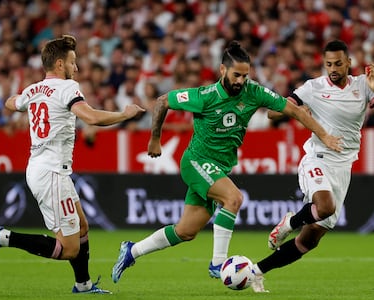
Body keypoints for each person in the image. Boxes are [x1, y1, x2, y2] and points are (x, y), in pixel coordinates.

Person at [111, 40, 342, 284]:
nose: (241, 81)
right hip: (196, 161)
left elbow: (293, 110)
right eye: (236, 75)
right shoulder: (204, 96)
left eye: (245, 75)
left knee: (186, 231)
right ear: (222, 70)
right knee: (234, 198)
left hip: (217, 167)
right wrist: (155, 139)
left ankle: (131, 251)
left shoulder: (254, 92)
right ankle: (218, 264)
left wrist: (324, 135)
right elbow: (162, 101)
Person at [0, 35, 144, 294]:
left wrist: (17, 99)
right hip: (51, 173)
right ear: (59, 64)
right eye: (72, 62)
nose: (76, 68)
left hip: (43, 168)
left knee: (82, 227)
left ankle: (83, 284)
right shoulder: (68, 88)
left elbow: (12, 102)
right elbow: (90, 117)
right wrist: (124, 114)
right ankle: (2, 237)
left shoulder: (33, 90)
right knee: (68, 248)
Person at [251, 39, 374, 293]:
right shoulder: (312, 87)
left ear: (349, 62)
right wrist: (297, 109)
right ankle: (289, 222)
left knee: (309, 241)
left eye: (338, 63)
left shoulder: (363, 84)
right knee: (324, 206)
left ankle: (256, 271)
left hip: (344, 166)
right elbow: (273, 114)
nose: (333, 68)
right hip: (317, 157)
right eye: (328, 64)